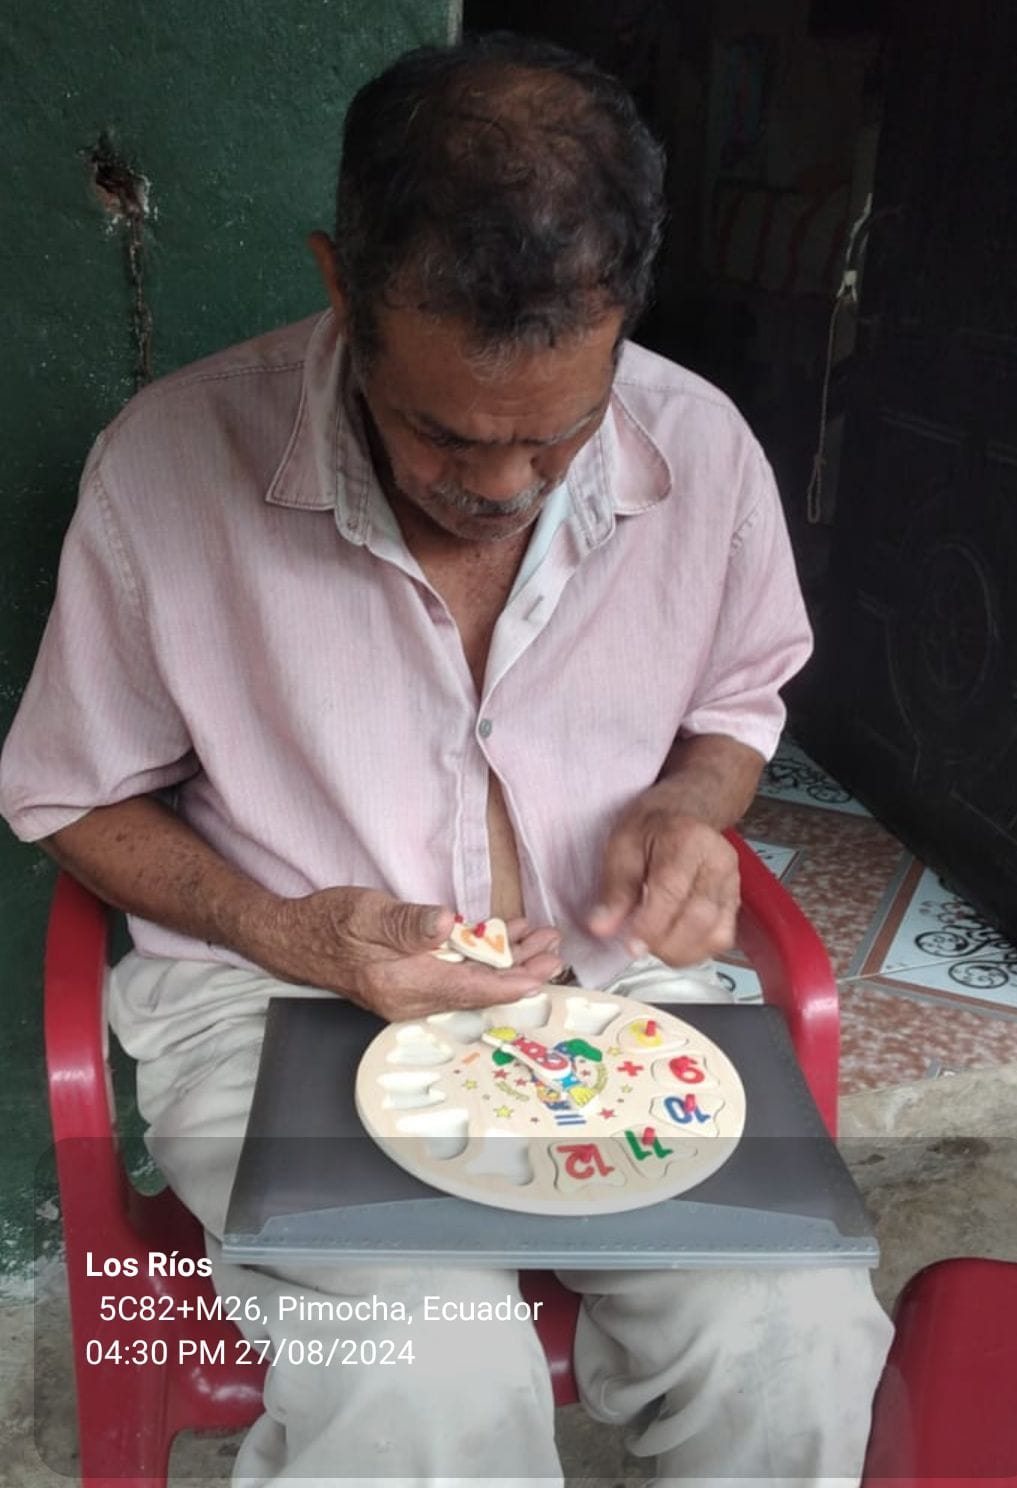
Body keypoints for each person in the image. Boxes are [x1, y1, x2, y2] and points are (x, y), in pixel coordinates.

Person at [0, 33, 892, 1488]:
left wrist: (691, 805)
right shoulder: (167, 465)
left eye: (559, 437)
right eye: (441, 433)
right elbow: (69, 795)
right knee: (423, 1381)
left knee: (798, 1339)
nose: (500, 488)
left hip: (606, 1005)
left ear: (623, 317)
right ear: (339, 286)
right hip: (283, 1006)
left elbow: (741, 698)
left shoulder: (703, 453)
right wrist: (292, 930)